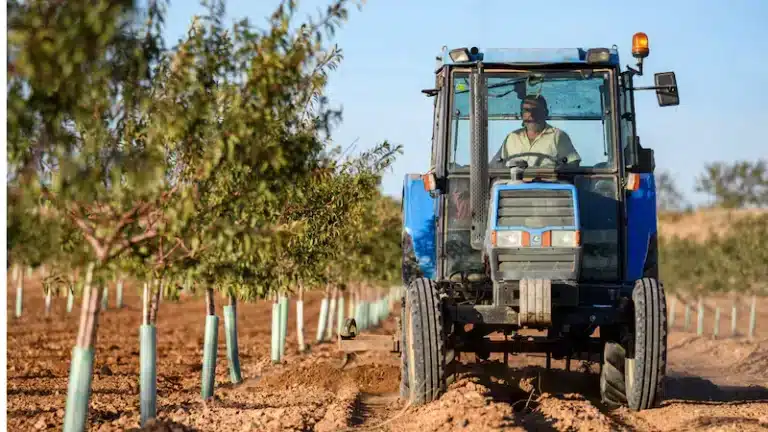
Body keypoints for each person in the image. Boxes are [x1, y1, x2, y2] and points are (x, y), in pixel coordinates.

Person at [492, 94, 581, 168]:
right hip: (514, 186)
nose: (531, 115)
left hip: (548, 187)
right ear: (521, 115)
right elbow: (496, 166)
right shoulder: (512, 137)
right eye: (527, 111)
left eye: (536, 110)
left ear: (546, 113)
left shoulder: (558, 136)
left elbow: (573, 164)